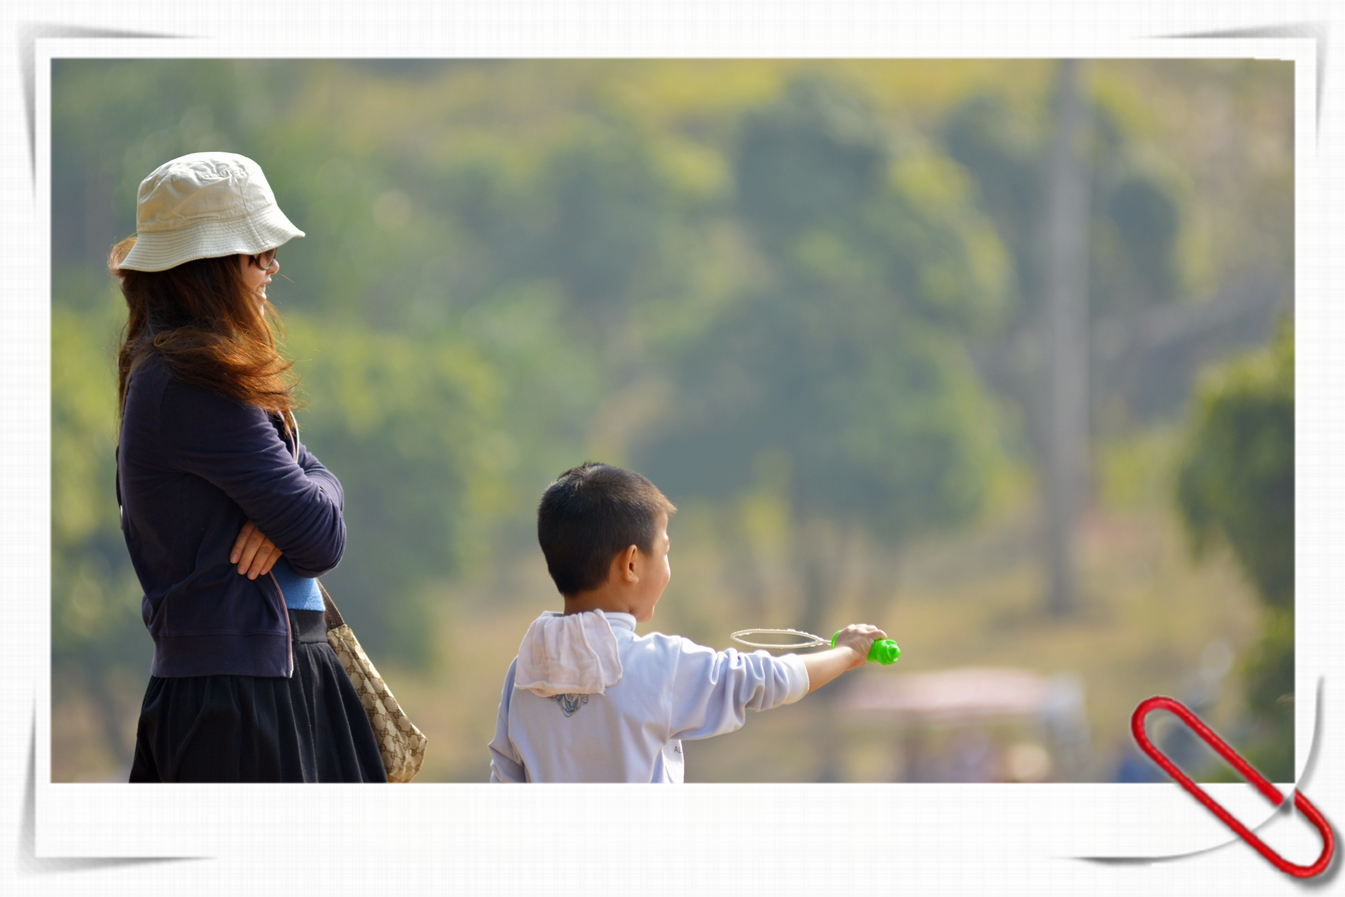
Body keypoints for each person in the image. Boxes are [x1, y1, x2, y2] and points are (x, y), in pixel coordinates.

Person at [111, 152, 386, 782]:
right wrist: (289, 508)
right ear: (211, 267)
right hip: (242, 699)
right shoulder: (192, 383)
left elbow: (316, 489)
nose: (272, 267)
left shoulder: (190, 374)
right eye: (257, 253)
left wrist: (285, 505)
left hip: (257, 680)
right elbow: (321, 536)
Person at [488, 462, 887, 782]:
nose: (668, 567)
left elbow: (505, 782)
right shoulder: (658, 664)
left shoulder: (523, 674)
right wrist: (848, 653)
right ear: (631, 564)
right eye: (665, 551)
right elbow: (769, 680)